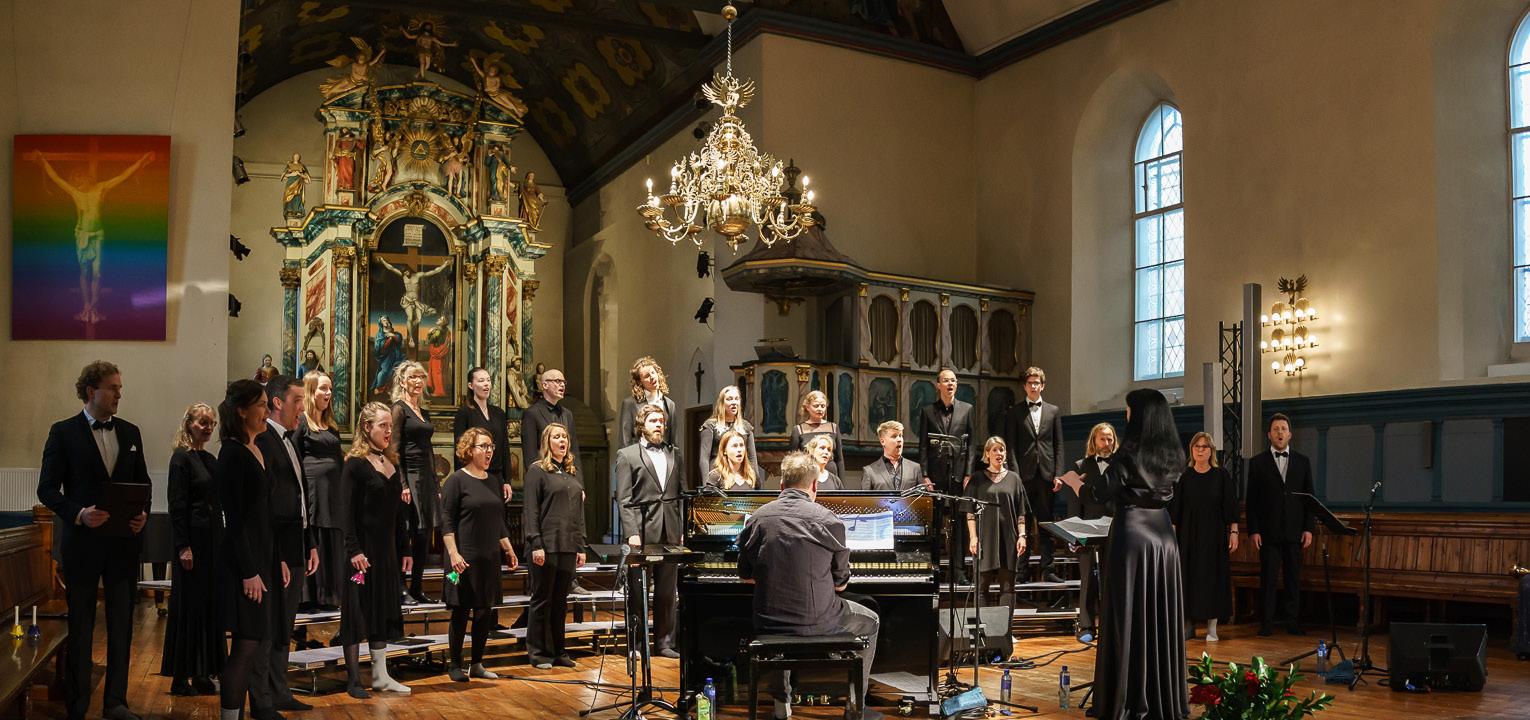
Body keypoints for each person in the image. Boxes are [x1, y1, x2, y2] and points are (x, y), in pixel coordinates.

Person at [1060, 388, 1188, 720]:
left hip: (1132, 534)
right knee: (1158, 614)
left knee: (1126, 613)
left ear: (1140, 414)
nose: (1126, 416)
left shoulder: (1128, 452)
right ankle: (1160, 699)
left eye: (1129, 410)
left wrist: (1073, 481)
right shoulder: (1174, 453)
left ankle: (1126, 698)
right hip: (1163, 536)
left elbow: (1097, 494)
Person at [36, 361, 151, 720]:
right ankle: (78, 706)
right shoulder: (63, 432)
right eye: (113, 387)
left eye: (120, 388)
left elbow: (144, 484)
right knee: (82, 629)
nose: (119, 394)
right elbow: (46, 489)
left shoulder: (130, 432)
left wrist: (143, 514)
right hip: (83, 546)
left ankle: (116, 702)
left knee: (121, 627)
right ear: (91, 391)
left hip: (122, 546)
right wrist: (78, 513)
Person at [737, 451, 883, 720]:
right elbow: (840, 584)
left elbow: (744, 573)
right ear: (815, 485)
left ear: (782, 484)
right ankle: (854, 707)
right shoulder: (828, 520)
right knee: (871, 619)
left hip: (769, 621)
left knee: (780, 620)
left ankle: (781, 705)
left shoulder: (758, 518)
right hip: (819, 621)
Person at [337, 402, 412, 698]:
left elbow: (397, 516)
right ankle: (354, 679)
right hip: (361, 555)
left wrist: (405, 548)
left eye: (390, 426)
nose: (388, 431)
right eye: (383, 425)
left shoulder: (392, 464)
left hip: (386, 553)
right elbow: (345, 514)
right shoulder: (355, 465)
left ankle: (381, 676)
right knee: (356, 612)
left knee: (381, 610)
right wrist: (354, 550)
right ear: (367, 428)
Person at [254, 375, 317, 716]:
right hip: (275, 548)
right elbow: (268, 504)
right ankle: (261, 698)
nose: (303, 409)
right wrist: (278, 553)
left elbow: (298, 498)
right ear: (277, 403)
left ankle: (280, 690)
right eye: (297, 401)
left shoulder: (289, 441)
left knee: (284, 624)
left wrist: (309, 543)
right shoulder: (265, 440)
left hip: (295, 544)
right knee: (268, 625)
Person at [217, 380, 276, 720]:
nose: (267, 410)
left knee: (253, 642)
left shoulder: (257, 447)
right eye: (262, 405)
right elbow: (235, 519)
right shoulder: (232, 453)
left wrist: (275, 561)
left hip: (260, 559)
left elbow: (263, 513)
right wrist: (249, 571)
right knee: (245, 644)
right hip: (243, 564)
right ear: (241, 411)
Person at [442, 428, 520, 681]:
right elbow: (446, 522)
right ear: (469, 450)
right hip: (463, 558)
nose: (489, 452)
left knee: (484, 611)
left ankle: (477, 663)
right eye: (483, 446)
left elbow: (497, 520)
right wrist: (453, 554)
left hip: (489, 556)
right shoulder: (456, 480)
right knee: (461, 610)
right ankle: (455, 664)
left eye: (491, 447)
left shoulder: (493, 481)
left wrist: (508, 548)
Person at [615, 404, 684, 658]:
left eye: (662, 421)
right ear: (641, 425)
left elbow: (681, 494)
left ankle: (664, 643)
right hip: (642, 530)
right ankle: (636, 644)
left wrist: (681, 528)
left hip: (670, 529)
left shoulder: (675, 453)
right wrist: (631, 531)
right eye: (654, 421)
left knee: (667, 591)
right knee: (638, 590)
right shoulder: (627, 455)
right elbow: (623, 498)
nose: (659, 425)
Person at [163, 403, 223, 696]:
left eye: (212, 423)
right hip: (192, 543)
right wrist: (183, 546)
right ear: (189, 424)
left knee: (209, 606)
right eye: (203, 422)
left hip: (212, 540)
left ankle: (203, 671)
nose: (208, 427)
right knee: (189, 607)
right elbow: (177, 506)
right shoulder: (181, 459)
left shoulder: (209, 459)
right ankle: (180, 676)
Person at [523, 423, 587, 670]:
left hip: (568, 544)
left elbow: (579, 513)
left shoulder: (571, 473)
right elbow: (531, 510)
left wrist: (581, 546)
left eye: (565, 437)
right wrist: (535, 543)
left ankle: (558, 650)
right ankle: (538, 652)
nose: (562, 441)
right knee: (542, 600)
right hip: (545, 545)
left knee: (560, 601)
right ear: (547, 442)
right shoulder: (537, 470)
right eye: (557, 437)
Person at [1245, 413, 1314, 636]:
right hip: (1268, 531)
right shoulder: (1257, 463)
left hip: (1295, 531)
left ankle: (1292, 622)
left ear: (1290, 434)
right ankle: (1266, 623)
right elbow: (1252, 500)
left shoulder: (1303, 461)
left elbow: (1310, 498)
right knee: (1268, 579)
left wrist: (1308, 528)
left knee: (1293, 579)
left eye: (1283, 429)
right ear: (1269, 434)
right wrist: (1254, 530)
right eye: (1276, 429)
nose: (1280, 433)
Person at [1171, 432, 1238, 642]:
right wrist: (1172, 538)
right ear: (1191, 450)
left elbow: (1230, 507)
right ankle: (1188, 626)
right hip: (1188, 536)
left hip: (1214, 536)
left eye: (1205, 446)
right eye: (1197, 446)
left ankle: (1212, 628)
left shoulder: (1221, 475)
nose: (1200, 450)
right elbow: (1175, 511)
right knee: (1188, 578)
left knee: (1213, 578)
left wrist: (1234, 532)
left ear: (1211, 451)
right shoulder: (1184, 476)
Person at [916, 368, 979, 582]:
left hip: (959, 475)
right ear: (938, 385)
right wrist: (925, 474)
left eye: (953, 380)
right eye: (946, 380)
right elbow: (923, 446)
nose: (950, 384)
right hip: (935, 475)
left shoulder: (967, 409)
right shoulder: (927, 411)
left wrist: (969, 473)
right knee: (935, 524)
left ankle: (958, 571)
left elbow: (972, 445)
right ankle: (934, 569)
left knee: (960, 525)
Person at [1003, 367, 1065, 583]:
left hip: (1047, 475)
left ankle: (1048, 569)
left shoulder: (1053, 411)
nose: (1033, 386)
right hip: (1024, 476)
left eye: (1037, 383)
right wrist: (1014, 476)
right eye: (1030, 383)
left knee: (1046, 524)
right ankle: (1021, 571)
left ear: (1043, 385)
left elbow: (1058, 445)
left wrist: (1058, 474)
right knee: (1023, 524)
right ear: (1024, 386)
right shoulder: (1015, 412)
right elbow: (1011, 447)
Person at [965, 437, 1026, 654]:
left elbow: (1021, 512)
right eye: (995, 450)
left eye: (1002, 450)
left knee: (1008, 587)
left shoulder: (1014, 479)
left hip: (1008, 538)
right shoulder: (977, 479)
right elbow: (970, 512)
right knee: (981, 587)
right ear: (987, 454)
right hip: (985, 538)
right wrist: (973, 537)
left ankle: (1005, 632)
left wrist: (1022, 535)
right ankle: (981, 633)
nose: (999, 453)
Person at [296, 371, 345, 611]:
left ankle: (328, 595)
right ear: (310, 391)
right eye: (323, 388)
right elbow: (295, 456)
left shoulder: (331, 426)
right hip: (313, 489)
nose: (329, 393)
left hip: (332, 490)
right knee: (316, 534)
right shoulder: (301, 422)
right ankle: (309, 595)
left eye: (330, 389)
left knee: (331, 535)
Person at [391, 361, 439, 605]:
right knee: (407, 532)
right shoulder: (398, 409)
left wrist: (436, 484)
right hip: (408, 475)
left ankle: (418, 586)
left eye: (421, 377)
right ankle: (401, 586)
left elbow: (428, 449)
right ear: (402, 381)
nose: (418, 381)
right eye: (412, 377)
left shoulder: (423, 411)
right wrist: (403, 484)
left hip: (425, 478)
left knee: (424, 533)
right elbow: (394, 448)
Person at [1067, 422, 1117, 642]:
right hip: (1087, 530)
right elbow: (1074, 502)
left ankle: (1110, 625)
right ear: (1094, 441)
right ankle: (1086, 626)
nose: (1106, 443)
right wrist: (1074, 534)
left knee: (1112, 579)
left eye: (1109, 439)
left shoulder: (1120, 466)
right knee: (1088, 580)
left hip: (1114, 530)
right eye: (1102, 439)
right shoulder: (1081, 466)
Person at [453, 366, 513, 499]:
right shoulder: (464, 413)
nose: (486, 384)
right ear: (471, 385)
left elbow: (505, 448)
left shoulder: (499, 413)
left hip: (497, 476)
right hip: (473, 475)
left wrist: (507, 480)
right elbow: (459, 450)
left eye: (488, 380)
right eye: (481, 381)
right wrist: (461, 480)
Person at [698, 385, 759, 483]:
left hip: (741, 476)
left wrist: (756, 483)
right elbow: (704, 458)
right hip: (718, 476)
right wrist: (707, 484)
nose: (734, 402)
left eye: (737, 399)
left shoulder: (746, 427)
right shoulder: (710, 425)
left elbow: (752, 458)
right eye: (729, 399)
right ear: (722, 403)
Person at [617, 357, 677, 449]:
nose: (652, 377)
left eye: (653, 372)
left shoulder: (670, 404)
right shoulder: (630, 404)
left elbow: (673, 441)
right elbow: (625, 440)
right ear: (639, 382)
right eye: (647, 376)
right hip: (639, 454)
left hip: (663, 455)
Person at [788, 390, 845, 478]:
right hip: (808, 475)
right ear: (807, 407)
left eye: (823, 406)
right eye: (816, 406)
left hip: (831, 474)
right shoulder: (798, 430)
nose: (820, 409)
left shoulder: (833, 427)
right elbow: (792, 460)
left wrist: (842, 484)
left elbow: (839, 459)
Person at [862, 420, 923, 492]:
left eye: (900, 436)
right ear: (882, 441)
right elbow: (864, 499)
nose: (899, 439)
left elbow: (922, 497)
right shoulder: (869, 471)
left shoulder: (915, 468)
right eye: (894, 436)